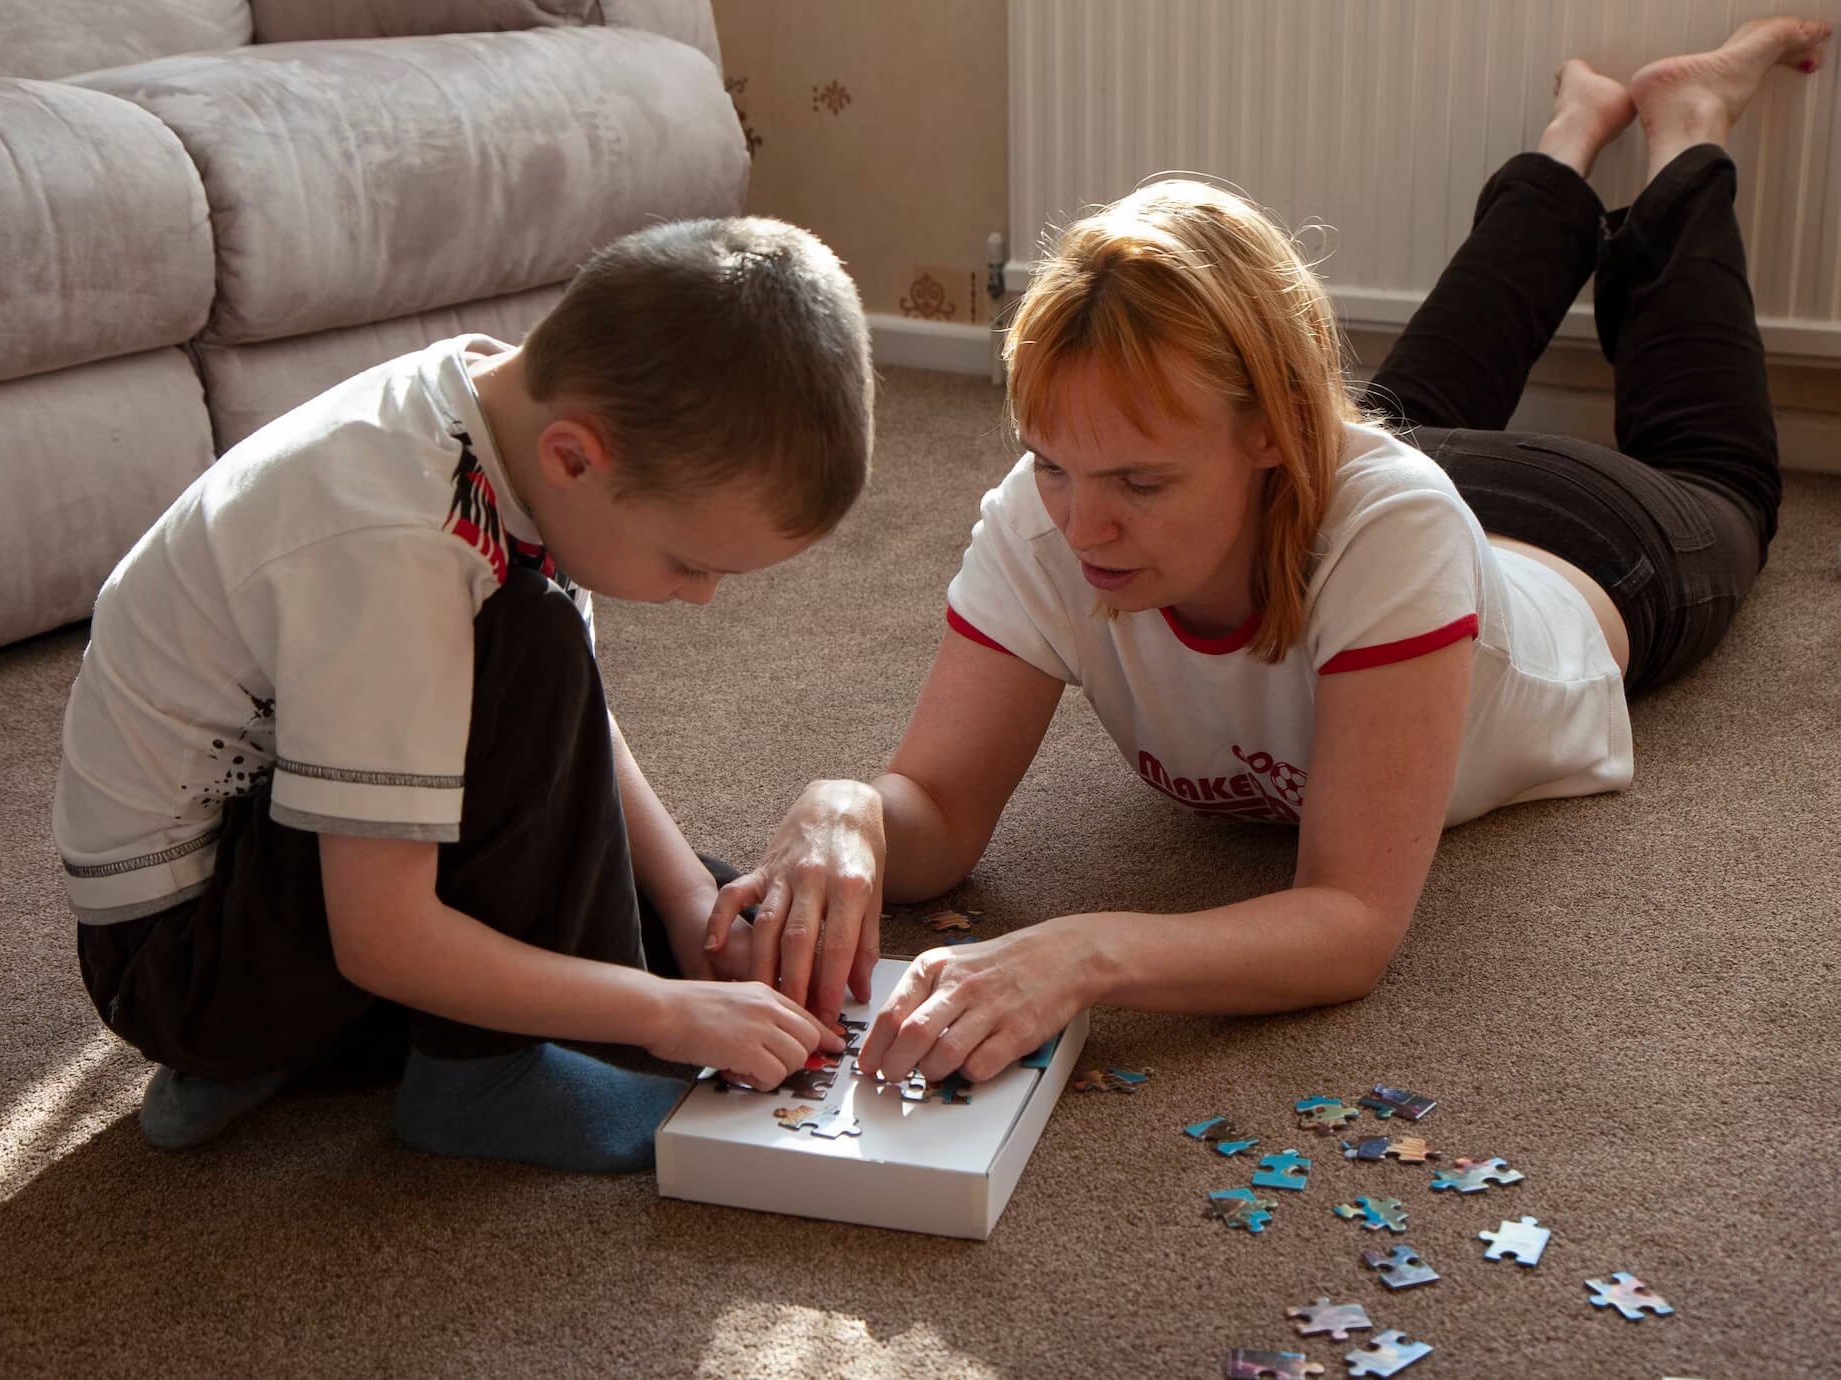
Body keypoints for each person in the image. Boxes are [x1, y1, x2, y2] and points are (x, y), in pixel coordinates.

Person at [703, 19, 1831, 1086]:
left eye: (1140, 482)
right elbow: (940, 818)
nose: (1081, 524)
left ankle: (1687, 128)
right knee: (1422, 394)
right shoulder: (1053, 510)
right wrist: (845, 804)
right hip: (1354, 481)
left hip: (1579, 543)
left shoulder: (1390, 524)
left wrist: (1084, 953)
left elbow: (1349, 922)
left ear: (1273, 436)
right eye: (1053, 461)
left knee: (1720, 476)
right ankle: (1569, 143)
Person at [54, 217, 873, 1170]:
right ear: (576, 457)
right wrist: (663, 1011)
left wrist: (690, 901)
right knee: (534, 651)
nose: (700, 597)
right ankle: (479, 1080)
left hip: (289, 863)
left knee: (703, 909)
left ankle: (322, 1054)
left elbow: (569, 736)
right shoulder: (403, 541)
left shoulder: (505, 414)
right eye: (691, 563)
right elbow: (383, 938)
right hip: (183, 964)